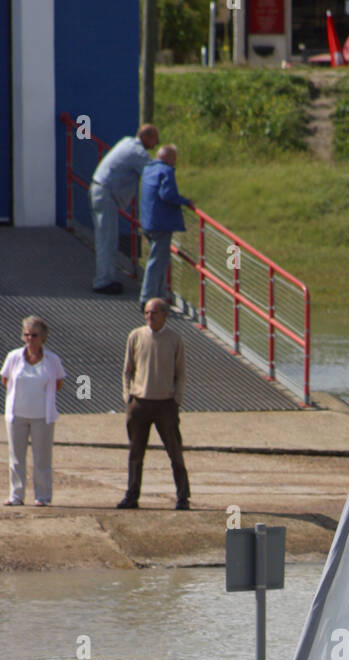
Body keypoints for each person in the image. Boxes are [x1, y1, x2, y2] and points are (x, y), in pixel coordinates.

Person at [118, 298, 191, 509]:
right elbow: (127, 370)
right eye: (147, 313)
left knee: (175, 451)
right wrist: (127, 396)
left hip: (165, 404)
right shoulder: (136, 336)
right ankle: (131, 496)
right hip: (139, 402)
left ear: (165, 315)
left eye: (154, 313)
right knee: (135, 453)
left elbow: (181, 373)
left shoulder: (175, 339)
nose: (150, 317)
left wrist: (177, 399)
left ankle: (183, 497)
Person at [0, 316, 66, 506]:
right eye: (26, 334)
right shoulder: (13, 357)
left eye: (34, 335)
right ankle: (16, 495)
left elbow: (59, 383)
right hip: (16, 415)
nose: (30, 339)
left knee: (42, 458)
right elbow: (5, 380)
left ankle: (43, 497)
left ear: (43, 337)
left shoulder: (52, 360)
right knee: (16, 458)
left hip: (42, 417)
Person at [89, 124, 159, 295]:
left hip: (100, 191)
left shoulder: (127, 142)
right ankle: (103, 282)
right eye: (155, 139)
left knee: (105, 239)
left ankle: (104, 278)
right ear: (146, 137)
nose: (156, 143)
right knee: (107, 240)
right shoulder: (137, 153)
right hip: (106, 195)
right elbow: (153, 173)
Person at [138, 145, 195, 309]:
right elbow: (167, 194)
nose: (175, 162)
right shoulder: (166, 171)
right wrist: (185, 201)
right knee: (157, 262)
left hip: (148, 221)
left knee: (159, 261)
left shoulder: (148, 168)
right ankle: (147, 298)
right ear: (168, 157)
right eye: (174, 158)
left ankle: (159, 296)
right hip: (161, 224)